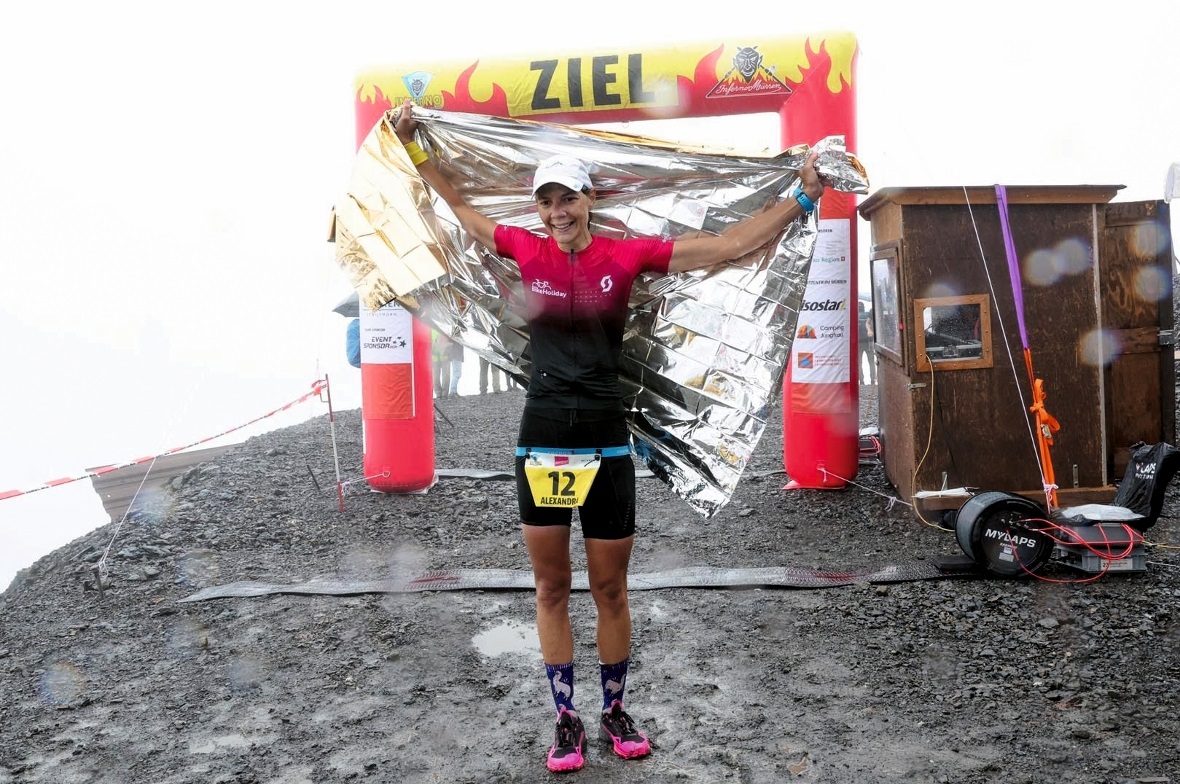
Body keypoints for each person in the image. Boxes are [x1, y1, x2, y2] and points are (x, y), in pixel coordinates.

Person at [395, 99, 824, 773]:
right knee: (550, 588)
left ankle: (614, 709)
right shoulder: (523, 247)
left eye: (568, 198)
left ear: (589, 198)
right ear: (537, 209)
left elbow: (725, 246)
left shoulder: (625, 258)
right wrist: (418, 149)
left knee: (611, 590)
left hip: (606, 443)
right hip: (539, 442)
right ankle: (565, 720)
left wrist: (801, 195)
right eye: (547, 201)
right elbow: (462, 212)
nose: (558, 212)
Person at [857, 300, 876, 385]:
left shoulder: (854, 316)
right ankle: (872, 380)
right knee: (871, 362)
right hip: (869, 342)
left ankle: (861, 381)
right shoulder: (867, 315)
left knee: (859, 363)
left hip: (858, 343)